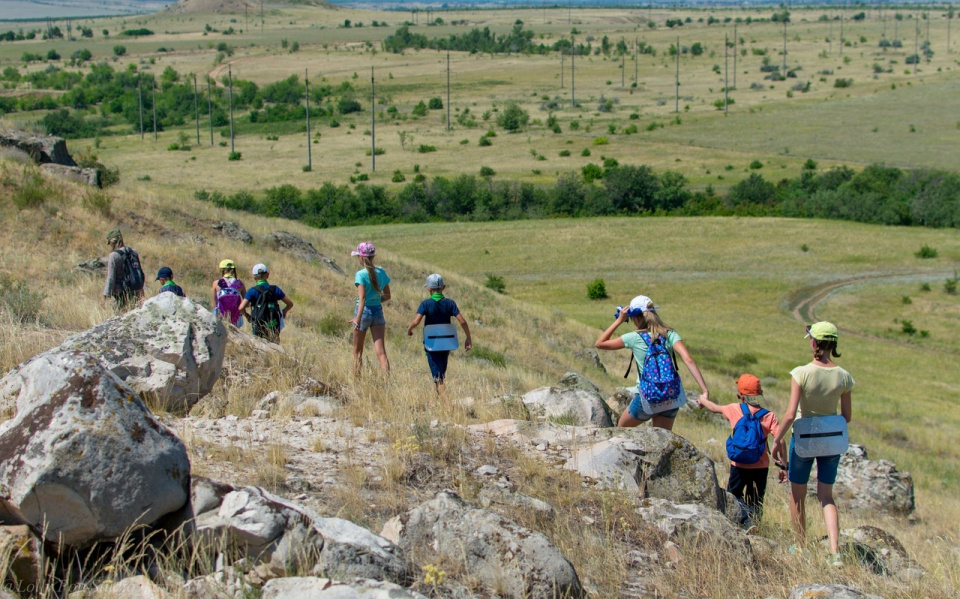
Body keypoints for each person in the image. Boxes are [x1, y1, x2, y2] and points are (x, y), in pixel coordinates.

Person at [771, 321, 854, 564]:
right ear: (833, 344)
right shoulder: (844, 377)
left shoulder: (801, 373)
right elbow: (846, 416)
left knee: (798, 493)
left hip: (805, 438)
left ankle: (801, 546)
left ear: (814, 343)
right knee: (826, 496)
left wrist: (777, 440)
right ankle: (835, 552)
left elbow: (789, 414)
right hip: (831, 441)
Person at [595, 294, 709, 430]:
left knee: (621, 429)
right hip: (671, 396)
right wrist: (705, 390)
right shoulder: (670, 334)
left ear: (636, 317)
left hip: (647, 398)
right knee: (661, 438)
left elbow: (600, 343)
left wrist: (619, 320)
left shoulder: (634, 338)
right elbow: (688, 359)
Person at [698, 374, 785, 527]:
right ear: (759, 393)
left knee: (733, 497)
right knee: (756, 500)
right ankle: (753, 524)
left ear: (740, 395)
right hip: (761, 466)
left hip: (738, 464)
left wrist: (702, 400)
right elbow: (781, 440)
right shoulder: (769, 416)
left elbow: (714, 408)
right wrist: (783, 465)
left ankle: (737, 523)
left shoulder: (734, 409)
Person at [407, 274, 473, 397]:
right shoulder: (450, 303)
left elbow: (416, 321)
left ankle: (448, 407)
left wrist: (409, 329)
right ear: (443, 288)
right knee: (440, 373)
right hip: (446, 343)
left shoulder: (425, 304)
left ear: (428, 288)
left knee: (438, 376)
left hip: (431, 343)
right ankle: (436, 401)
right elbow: (462, 321)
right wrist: (468, 337)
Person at [349, 242, 391, 378]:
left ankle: (357, 380)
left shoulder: (360, 274)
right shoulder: (382, 272)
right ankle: (387, 381)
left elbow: (362, 298)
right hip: (378, 311)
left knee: (357, 351)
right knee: (381, 352)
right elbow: (387, 295)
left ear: (361, 257)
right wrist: (377, 301)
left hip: (364, 312)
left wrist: (357, 319)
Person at [238, 263, 293, 342]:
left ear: (254, 277)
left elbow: (241, 308)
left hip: (258, 324)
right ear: (267, 275)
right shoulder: (275, 289)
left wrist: (247, 316)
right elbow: (290, 304)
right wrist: (284, 312)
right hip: (273, 323)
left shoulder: (252, 291)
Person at [102, 228, 144, 310]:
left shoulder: (114, 256)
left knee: (120, 318)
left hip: (120, 294)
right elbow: (139, 271)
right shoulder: (133, 252)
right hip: (135, 290)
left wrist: (105, 295)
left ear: (112, 242)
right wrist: (141, 289)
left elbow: (111, 278)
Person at [212, 259, 246, 327]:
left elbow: (214, 303)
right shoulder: (239, 283)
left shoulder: (216, 283)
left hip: (221, 318)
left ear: (222, 270)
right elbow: (246, 303)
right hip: (236, 319)